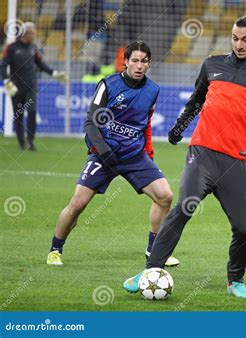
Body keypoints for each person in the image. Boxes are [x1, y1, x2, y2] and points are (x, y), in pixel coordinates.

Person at [123, 12, 246, 298]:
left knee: (243, 230)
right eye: (235, 38)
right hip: (202, 153)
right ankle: (150, 270)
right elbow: (197, 99)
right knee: (184, 208)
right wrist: (180, 126)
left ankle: (235, 281)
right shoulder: (212, 64)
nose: (239, 44)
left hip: (237, 161)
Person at [46, 41, 179, 268]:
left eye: (143, 61)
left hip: (134, 156)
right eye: (134, 61)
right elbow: (91, 122)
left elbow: (145, 123)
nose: (138, 66)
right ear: (125, 61)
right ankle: (55, 250)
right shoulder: (108, 85)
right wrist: (103, 151)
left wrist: (148, 151)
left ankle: (154, 251)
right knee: (78, 204)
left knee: (165, 196)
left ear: (149, 64)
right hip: (103, 155)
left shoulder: (153, 90)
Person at [0, 21, 67, 151]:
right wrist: (7, 81)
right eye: (33, 32)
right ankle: (21, 143)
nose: (35, 34)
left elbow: (40, 64)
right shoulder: (12, 47)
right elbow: (3, 65)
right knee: (18, 115)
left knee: (32, 112)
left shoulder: (33, 47)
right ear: (26, 33)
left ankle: (30, 141)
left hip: (31, 85)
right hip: (16, 87)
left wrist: (54, 73)